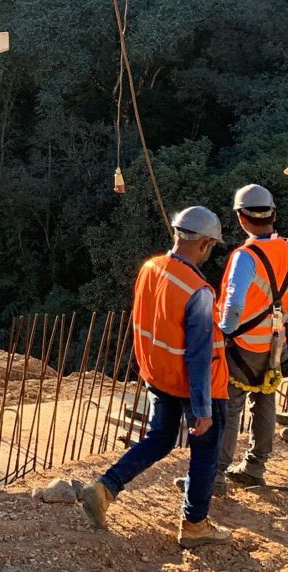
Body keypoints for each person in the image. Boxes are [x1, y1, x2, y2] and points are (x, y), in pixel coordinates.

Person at [78, 206, 231, 548]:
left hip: (157, 374)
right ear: (205, 244)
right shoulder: (199, 291)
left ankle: (105, 488)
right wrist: (203, 409)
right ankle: (195, 526)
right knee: (205, 452)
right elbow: (200, 354)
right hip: (192, 386)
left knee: (159, 438)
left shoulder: (150, 268)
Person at [216, 183, 287, 489]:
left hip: (245, 346)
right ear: (273, 214)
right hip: (277, 343)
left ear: (241, 219)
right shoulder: (286, 248)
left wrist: (223, 333)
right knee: (266, 398)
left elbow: (233, 307)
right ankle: (255, 467)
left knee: (230, 406)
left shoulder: (246, 257)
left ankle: (216, 473)